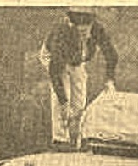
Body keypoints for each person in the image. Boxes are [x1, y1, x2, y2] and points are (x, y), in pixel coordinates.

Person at [40, 8, 117, 146]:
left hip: (77, 60)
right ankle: (60, 138)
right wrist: (63, 102)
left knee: (79, 102)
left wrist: (109, 80)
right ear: (72, 25)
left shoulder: (98, 30)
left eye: (86, 27)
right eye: (78, 27)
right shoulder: (62, 34)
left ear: (92, 24)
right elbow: (55, 71)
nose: (83, 30)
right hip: (54, 58)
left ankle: (76, 137)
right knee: (63, 98)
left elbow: (111, 55)